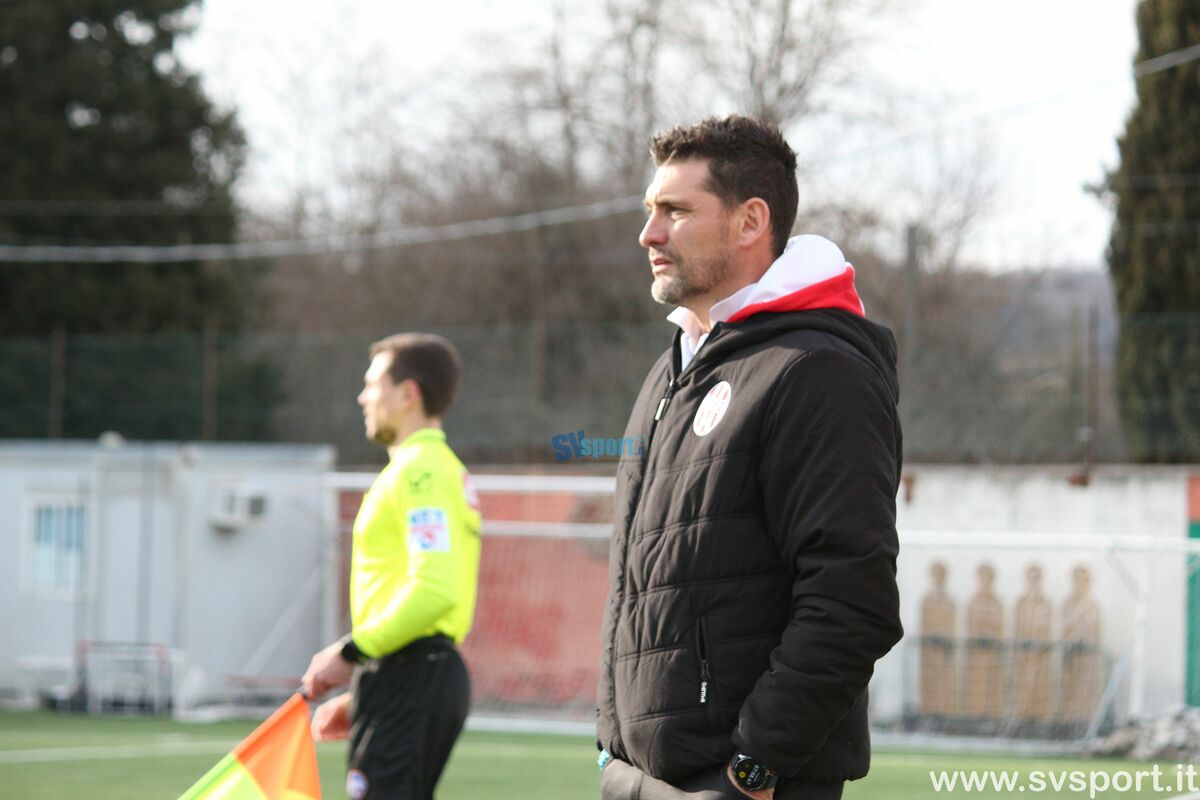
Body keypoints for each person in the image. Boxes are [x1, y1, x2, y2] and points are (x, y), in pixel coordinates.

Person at [597, 115, 904, 800]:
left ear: (750, 221)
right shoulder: (672, 369)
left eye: (675, 211)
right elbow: (636, 584)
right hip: (638, 777)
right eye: (651, 210)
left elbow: (852, 600)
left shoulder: (817, 370)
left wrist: (755, 767)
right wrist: (612, 747)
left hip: (743, 785)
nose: (649, 234)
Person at [301, 333, 482, 800]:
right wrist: (368, 685)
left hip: (413, 673)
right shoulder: (427, 468)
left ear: (407, 394)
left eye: (372, 385)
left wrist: (351, 653)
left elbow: (434, 589)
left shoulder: (421, 472)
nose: (363, 398)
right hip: (405, 675)